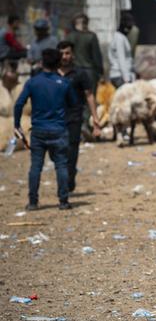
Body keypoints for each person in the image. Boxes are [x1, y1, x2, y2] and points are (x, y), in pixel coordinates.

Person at [13, 48, 77, 210]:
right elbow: (74, 104)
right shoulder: (64, 83)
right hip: (59, 130)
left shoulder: (33, 82)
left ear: (42, 63)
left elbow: (19, 103)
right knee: (61, 165)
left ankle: (33, 202)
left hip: (39, 131)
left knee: (36, 166)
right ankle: (63, 201)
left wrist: (17, 124)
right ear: (58, 63)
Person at [56, 41, 98, 193]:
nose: (64, 57)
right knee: (58, 151)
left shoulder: (80, 74)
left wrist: (95, 119)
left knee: (71, 150)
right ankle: (64, 178)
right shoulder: (51, 73)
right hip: (55, 119)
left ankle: (69, 178)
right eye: (61, 53)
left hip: (74, 118)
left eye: (67, 53)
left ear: (72, 55)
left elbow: (89, 95)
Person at [64, 14, 103, 85]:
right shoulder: (91, 36)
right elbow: (97, 57)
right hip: (89, 72)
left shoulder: (69, 36)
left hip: (74, 71)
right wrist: (101, 73)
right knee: (90, 95)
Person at [108, 16, 135, 88]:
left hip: (121, 75)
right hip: (120, 76)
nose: (129, 31)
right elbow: (121, 59)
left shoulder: (121, 37)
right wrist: (126, 79)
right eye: (129, 28)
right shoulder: (119, 38)